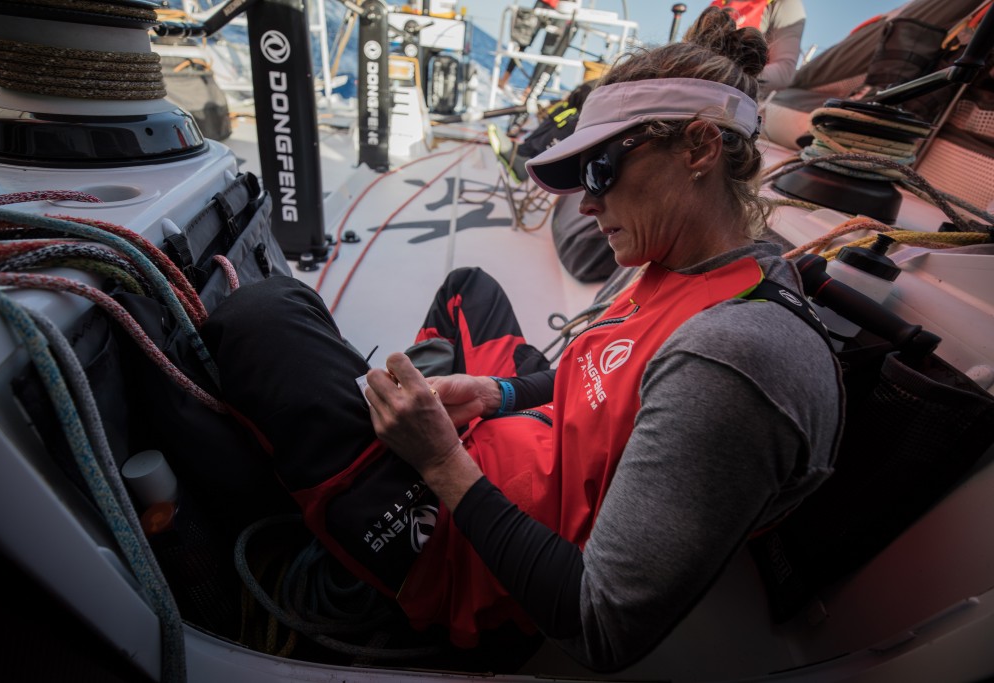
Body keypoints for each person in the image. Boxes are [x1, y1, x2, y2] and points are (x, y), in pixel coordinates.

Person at [203, 9, 843, 672]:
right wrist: (495, 391)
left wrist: (439, 461)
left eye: (599, 170)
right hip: (511, 443)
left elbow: (599, 624)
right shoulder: (684, 260)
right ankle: (397, 423)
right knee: (468, 286)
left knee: (263, 320)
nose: (587, 205)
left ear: (701, 149)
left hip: (469, 546)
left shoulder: (729, 361)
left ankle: (372, 477)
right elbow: (589, 389)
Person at [696, 0, 807, 98]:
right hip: (698, 90)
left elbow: (784, 72)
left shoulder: (782, 4)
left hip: (742, 100)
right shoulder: (718, 4)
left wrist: (727, 78)